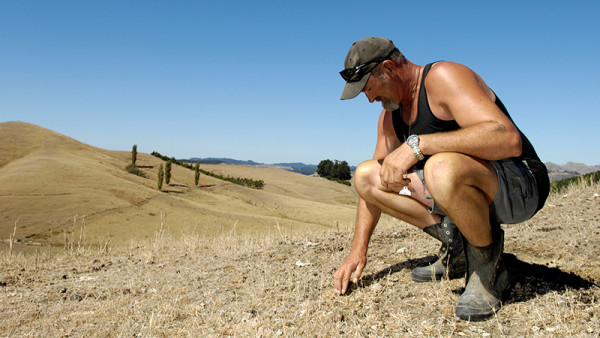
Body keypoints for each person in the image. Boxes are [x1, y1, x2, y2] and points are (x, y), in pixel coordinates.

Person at [333, 36, 549, 321]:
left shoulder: (443, 78)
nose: (370, 98)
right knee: (367, 176)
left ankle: (488, 268)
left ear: (387, 68)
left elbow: (508, 139)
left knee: (440, 168)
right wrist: (357, 252)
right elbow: (371, 190)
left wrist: (417, 145)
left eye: (369, 88)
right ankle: (458, 246)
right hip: (468, 189)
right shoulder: (390, 118)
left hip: (520, 183)